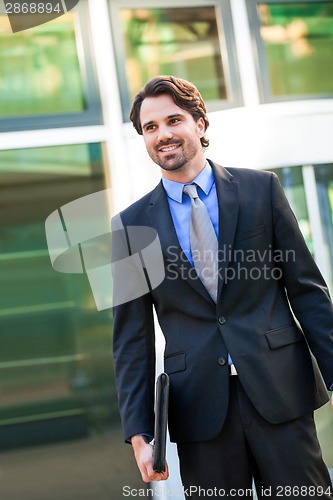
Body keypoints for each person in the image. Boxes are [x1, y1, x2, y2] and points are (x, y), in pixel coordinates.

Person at [112, 75, 333, 498]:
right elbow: (131, 339)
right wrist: (140, 433)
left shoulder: (260, 190)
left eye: (173, 120)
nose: (163, 135)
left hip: (280, 391)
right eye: (150, 128)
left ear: (200, 123)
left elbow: (307, 290)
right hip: (198, 408)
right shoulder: (131, 226)